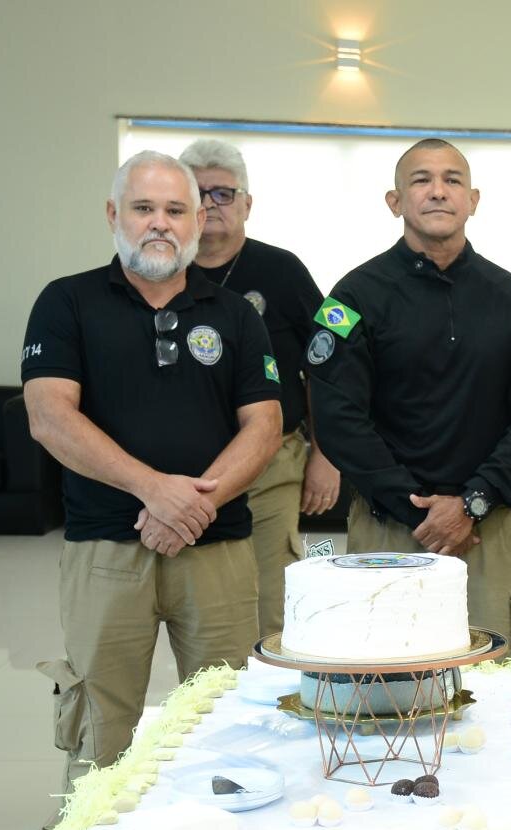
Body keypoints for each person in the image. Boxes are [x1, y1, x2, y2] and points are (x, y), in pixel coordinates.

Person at [10, 150, 282, 830]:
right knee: (101, 725)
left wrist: (193, 504)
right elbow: (50, 418)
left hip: (219, 550)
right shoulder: (67, 303)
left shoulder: (234, 314)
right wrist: (155, 492)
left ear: (201, 221)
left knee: (230, 725)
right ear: (113, 215)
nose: (160, 223)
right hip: (105, 548)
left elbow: (264, 426)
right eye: (144, 209)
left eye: (177, 209)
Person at [306, 138, 511, 658]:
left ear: (474, 199)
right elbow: (338, 417)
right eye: (421, 180)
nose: (438, 192)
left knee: (492, 683)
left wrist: (472, 503)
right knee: (383, 681)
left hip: (486, 529)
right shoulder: (354, 296)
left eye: (453, 180)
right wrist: (418, 509)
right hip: (389, 530)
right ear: (395, 201)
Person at [177, 138, 337, 639]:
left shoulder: (283, 269)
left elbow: (329, 358)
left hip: (273, 462)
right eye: (197, 193)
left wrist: (326, 456)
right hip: (184, 473)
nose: (210, 205)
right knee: (203, 611)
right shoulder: (159, 272)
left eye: (223, 193)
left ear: (247, 204)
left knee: (272, 604)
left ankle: (272, 706)